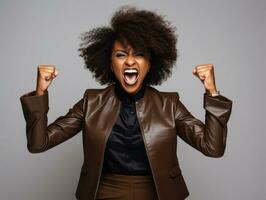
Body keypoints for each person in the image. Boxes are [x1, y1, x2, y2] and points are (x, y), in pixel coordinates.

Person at [20, 6, 233, 200]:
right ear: (110, 64)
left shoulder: (169, 104)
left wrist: (212, 93)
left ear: (150, 63)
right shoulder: (91, 102)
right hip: (103, 192)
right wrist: (40, 93)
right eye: (121, 55)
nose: (130, 61)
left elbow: (212, 147)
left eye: (139, 55)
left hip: (158, 193)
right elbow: (38, 144)